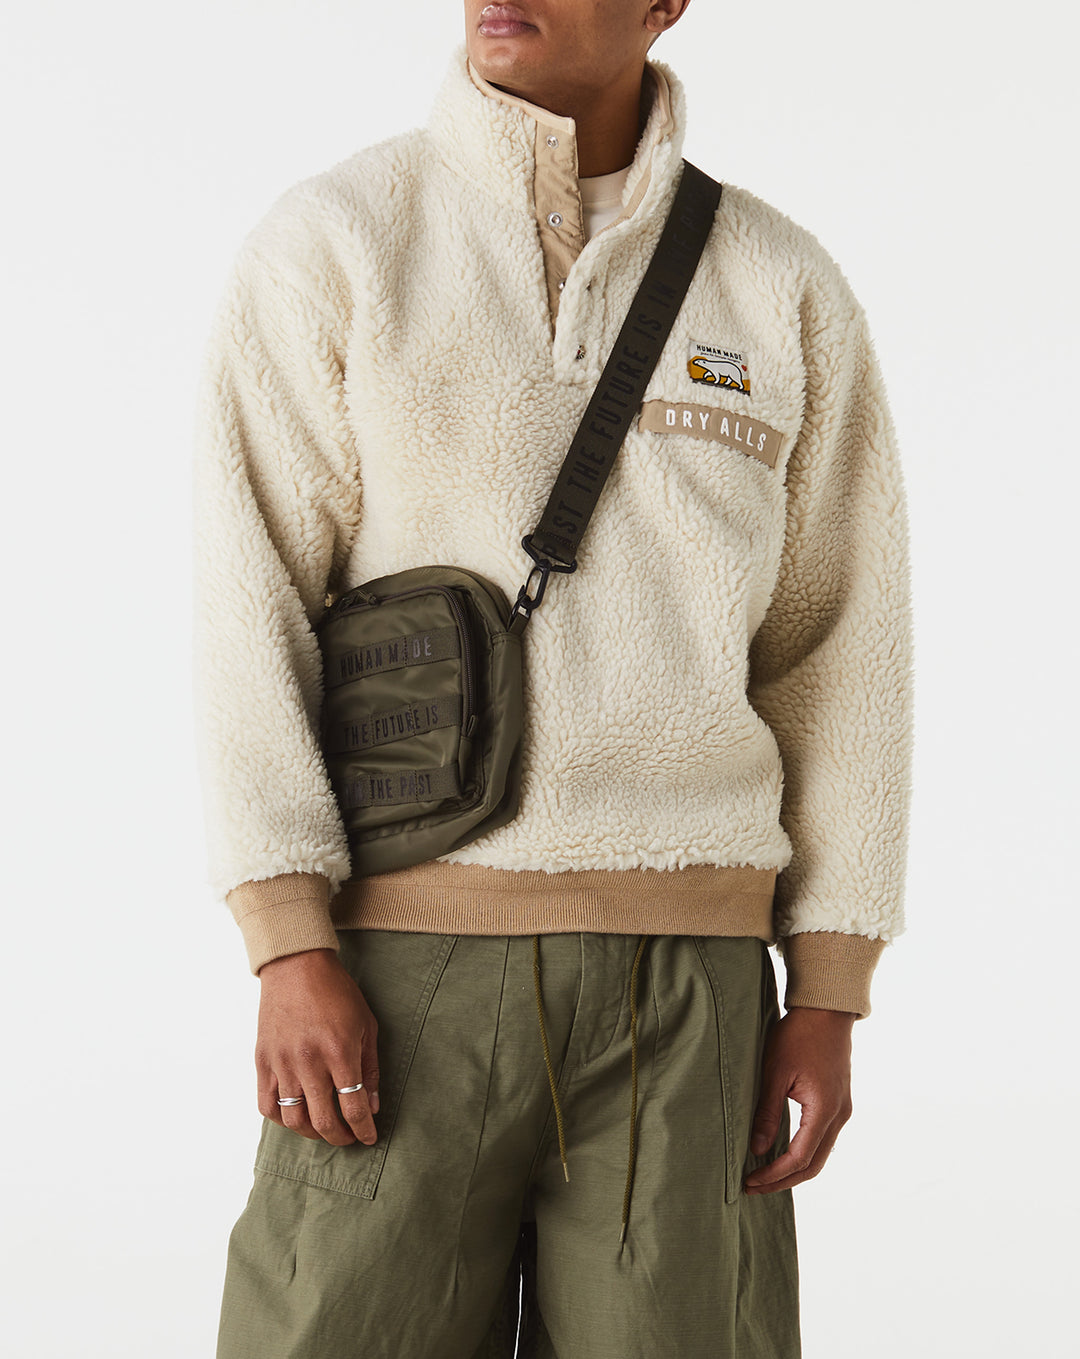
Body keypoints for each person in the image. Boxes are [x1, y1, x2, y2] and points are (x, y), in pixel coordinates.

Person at [191, 2, 914, 1355]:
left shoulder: (780, 284)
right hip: (403, 966)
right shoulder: (339, 244)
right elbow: (249, 602)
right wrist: (287, 939)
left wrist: (829, 985)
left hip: (694, 989)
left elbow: (841, 648)